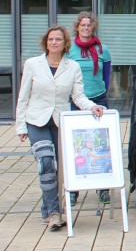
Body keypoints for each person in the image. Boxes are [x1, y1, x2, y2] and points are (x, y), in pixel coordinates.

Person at [16, 26, 105, 231]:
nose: (54, 42)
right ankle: (54, 212)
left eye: (58, 39)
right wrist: (20, 125)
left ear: (65, 43)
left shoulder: (72, 67)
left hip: (60, 120)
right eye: (50, 39)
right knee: (46, 160)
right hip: (36, 120)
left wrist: (92, 106)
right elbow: (23, 96)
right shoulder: (32, 64)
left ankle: (50, 209)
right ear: (45, 43)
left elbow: (78, 96)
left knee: (61, 169)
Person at [66, 11, 112, 206]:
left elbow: (107, 77)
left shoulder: (103, 50)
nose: (86, 28)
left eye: (89, 25)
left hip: (99, 99)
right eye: (83, 25)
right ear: (77, 27)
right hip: (76, 102)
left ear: (93, 28)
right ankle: (74, 191)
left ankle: (103, 188)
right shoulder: (69, 51)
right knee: (75, 145)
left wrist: (100, 95)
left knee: (101, 144)